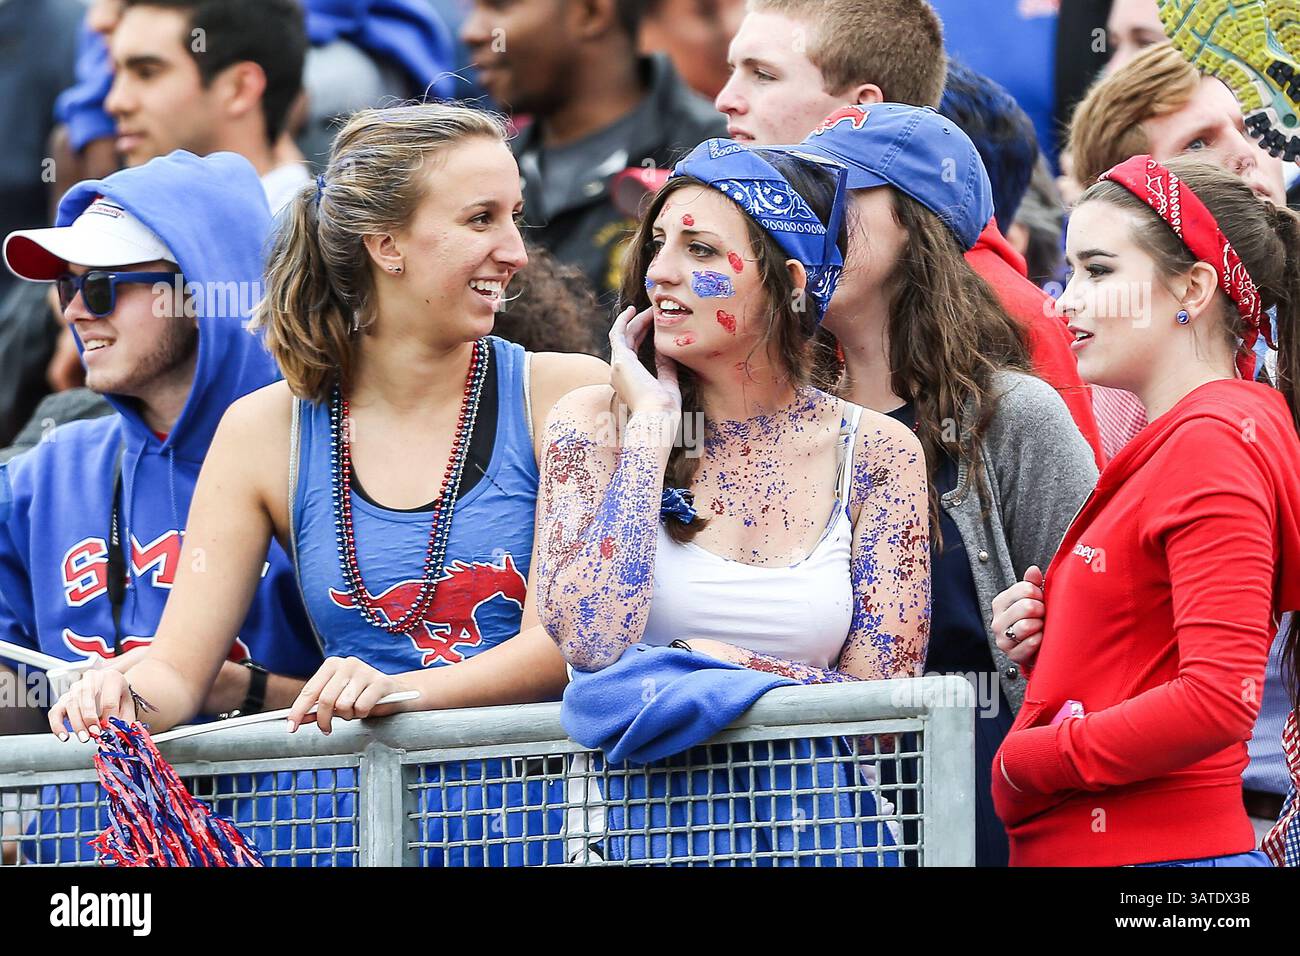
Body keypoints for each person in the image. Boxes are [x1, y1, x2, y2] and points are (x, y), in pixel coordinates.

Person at [47, 102, 607, 742]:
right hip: (364, 830)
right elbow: (177, 673)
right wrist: (119, 693)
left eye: (514, 217)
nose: (514, 252)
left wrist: (401, 694)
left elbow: (565, 644)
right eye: (481, 219)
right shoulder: (261, 432)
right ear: (385, 244)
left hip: (544, 823)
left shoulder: (570, 393)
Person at [796, 103, 1098, 865]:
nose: (806, 218)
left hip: (982, 810)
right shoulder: (770, 419)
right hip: (807, 811)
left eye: (836, 194)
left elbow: (1100, 634)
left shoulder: (1016, 416)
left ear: (918, 227)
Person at [990, 154, 1300, 866]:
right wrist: (1062, 640)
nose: (1064, 301)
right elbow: (1164, 658)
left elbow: (1219, 700)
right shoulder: (1200, 434)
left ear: (1192, 286)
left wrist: (1025, 764)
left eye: (1098, 271)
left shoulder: (1212, 443)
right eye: (1068, 273)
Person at [537, 136, 930, 683]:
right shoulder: (591, 422)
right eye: (657, 243)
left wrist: (734, 668)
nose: (659, 273)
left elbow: (885, 716)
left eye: (700, 249)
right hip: (634, 770)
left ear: (790, 285)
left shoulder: (877, 451)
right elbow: (587, 641)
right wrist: (651, 428)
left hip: (807, 772)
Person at [0, 149, 320, 723]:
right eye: (64, 289)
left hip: (282, 812)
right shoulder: (43, 474)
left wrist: (246, 690)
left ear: (198, 292)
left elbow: (404, 699)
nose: (75, 312)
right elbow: (16, 704)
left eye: (98, 286)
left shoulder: (327, 458)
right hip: (90, 814)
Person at [713, 0, 1105, 467]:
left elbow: (1070, 529)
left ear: (863, 109)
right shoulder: (763, 271)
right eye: (733, 69)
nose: (726, 99)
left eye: (764, 75)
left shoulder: (1008, 310)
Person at [1068, 40, 1289, 459]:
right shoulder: (1131, 375)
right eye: (1198, 144)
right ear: (1126, 196)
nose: (1244, 154)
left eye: (1251, 129)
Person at [461, 0, 726, 309]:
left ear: (589, 13)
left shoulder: (712, 160)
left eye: (498, 6)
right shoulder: (486, 166)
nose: (472, 32)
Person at [107, 0, 310, 214]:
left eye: (147, 72)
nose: (116, 103)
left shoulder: (304, 241)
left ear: (239, 89)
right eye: (115, 75)